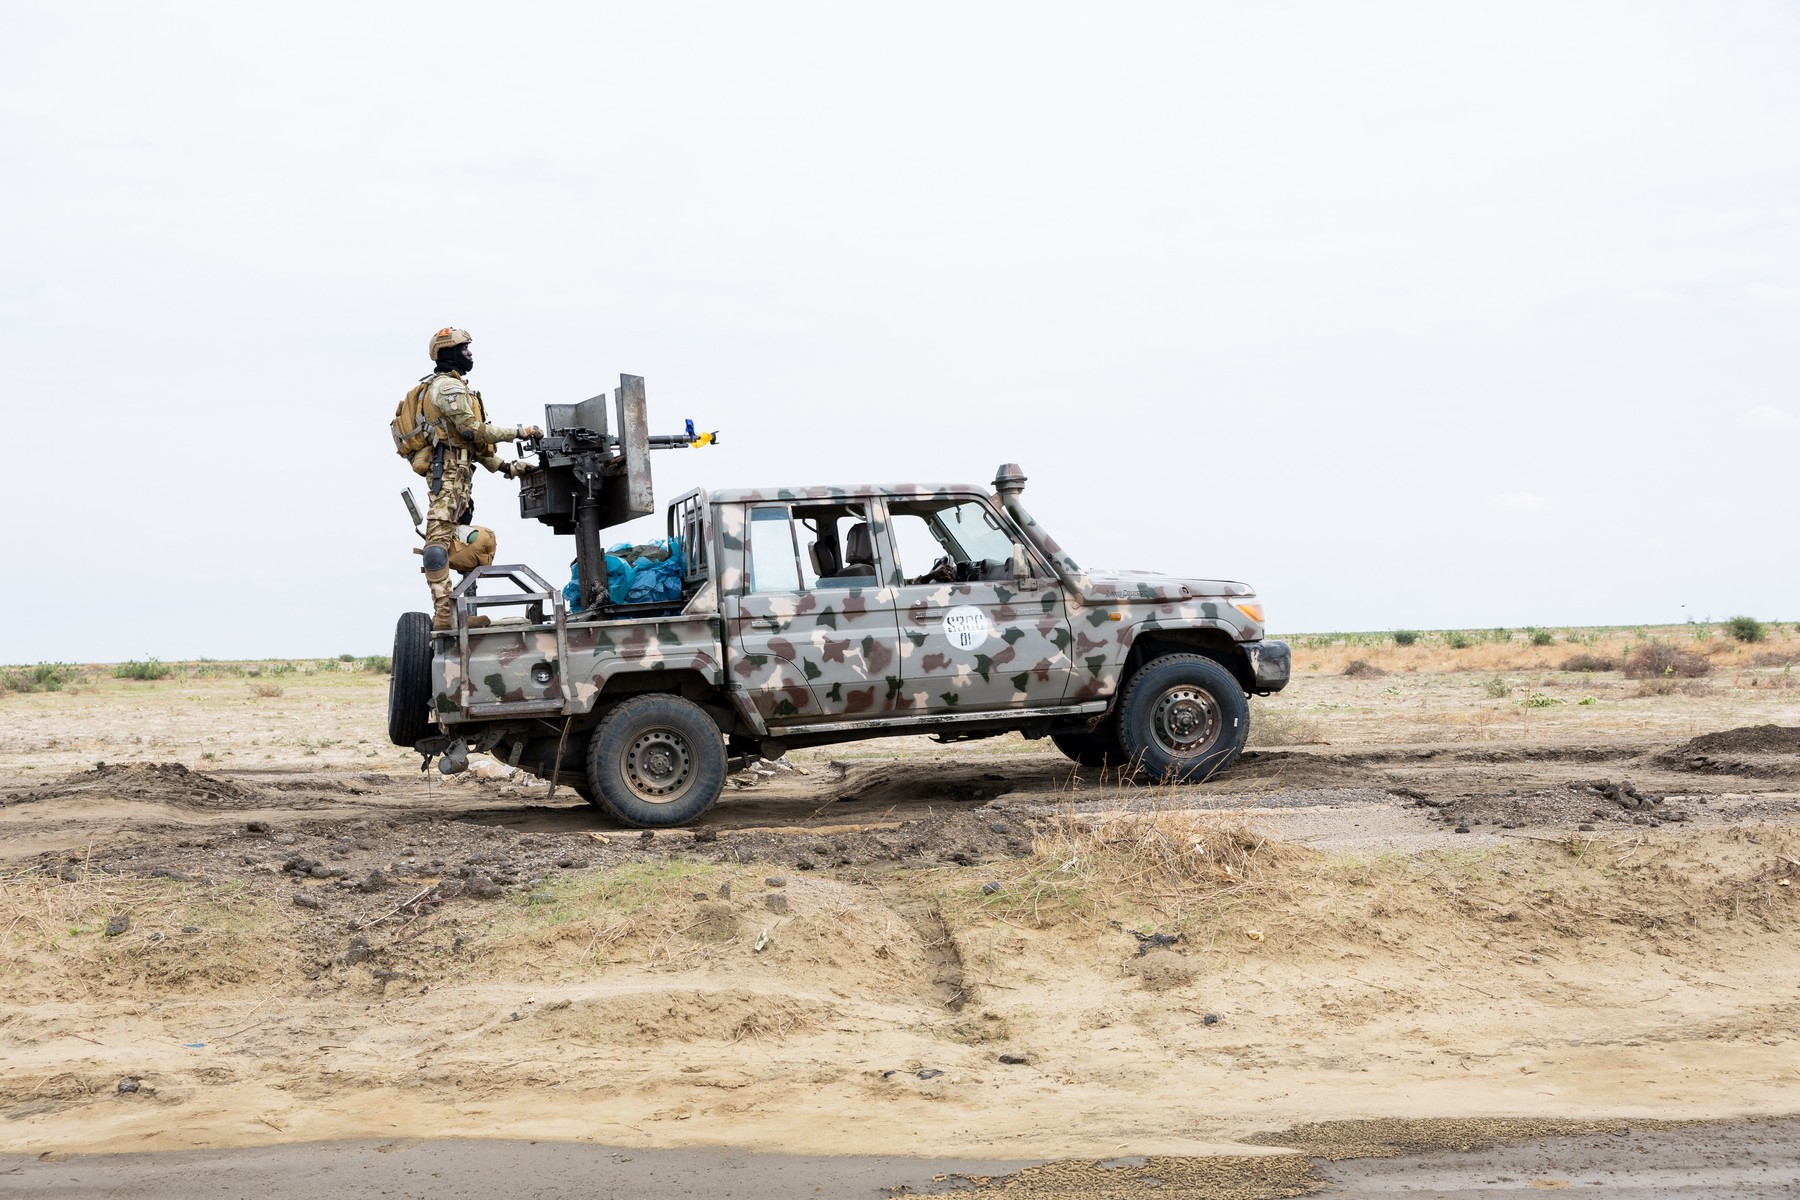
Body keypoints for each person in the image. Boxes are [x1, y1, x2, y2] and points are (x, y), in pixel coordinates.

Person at [404, 327, 542, 629]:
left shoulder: (453, 386)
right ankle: (445, 615)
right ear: (449, 352)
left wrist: (507, 468)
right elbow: (472, 431)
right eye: (464, 348)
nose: (469, 354)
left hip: (459, 473)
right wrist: (520, 432)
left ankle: (456, 612)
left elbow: (472, 445)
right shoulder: (448, 388)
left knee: (464, 540)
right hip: (449, 473)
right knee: (438, 541)